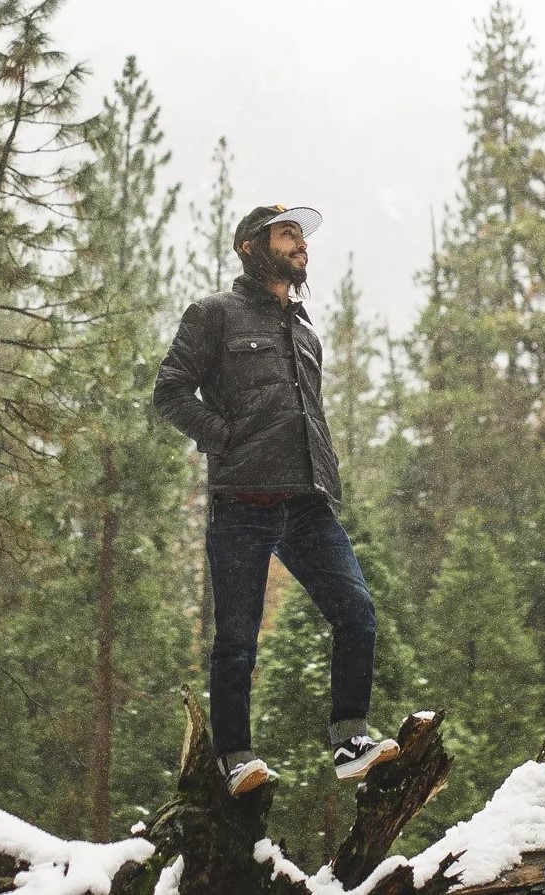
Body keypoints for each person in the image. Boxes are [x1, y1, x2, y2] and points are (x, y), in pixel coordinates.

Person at [153, 205, 399, 796]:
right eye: (287, 234)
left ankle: (350, 740)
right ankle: (235, 758)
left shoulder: (306, 332)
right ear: (250, 247)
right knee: (237, 639)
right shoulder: (214, 314)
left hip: (307, 501)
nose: (300, 245)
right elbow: (170, 391)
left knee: (357, 612)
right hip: (242, 499)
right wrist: (227, 440)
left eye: (301, 237)